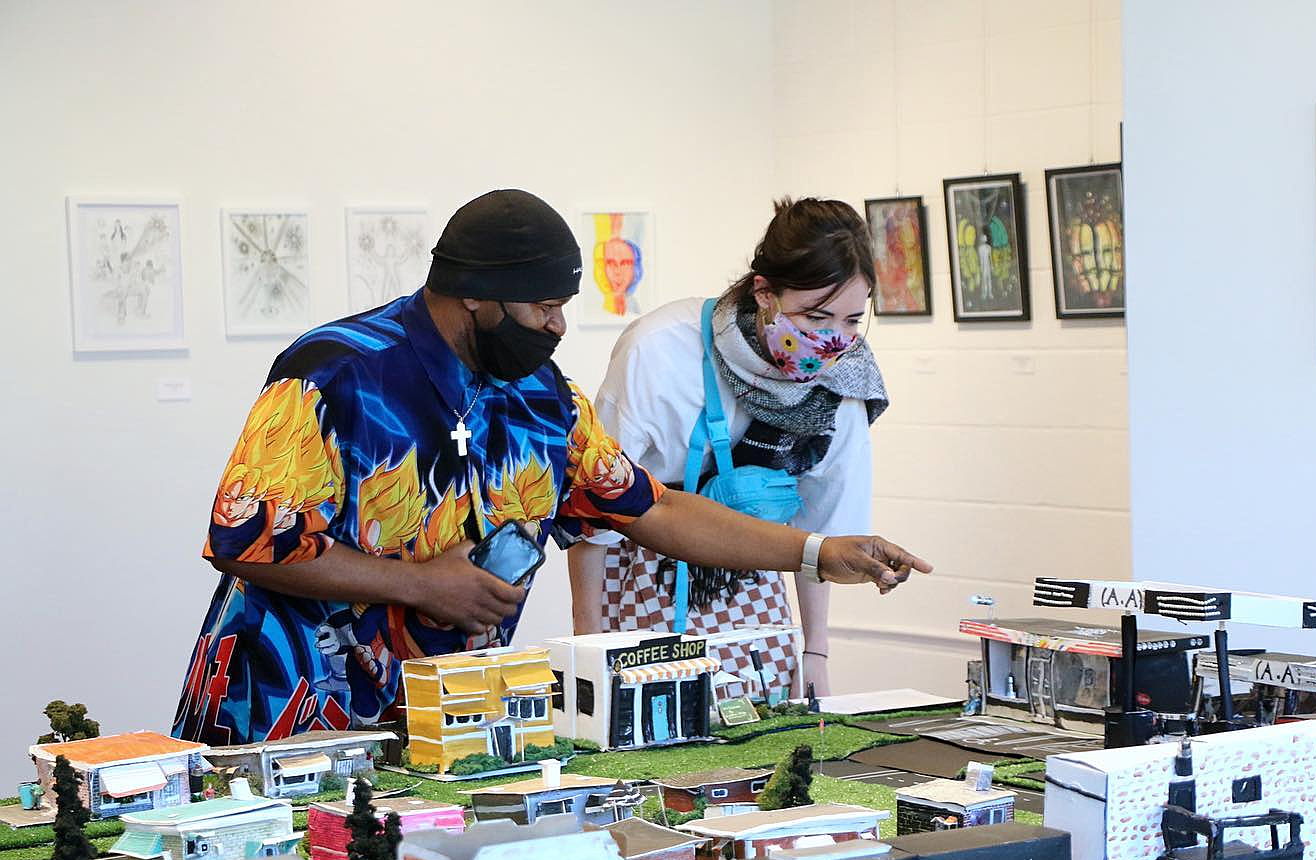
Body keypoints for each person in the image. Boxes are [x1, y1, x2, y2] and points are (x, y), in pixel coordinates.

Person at [173, 189, 929, 745]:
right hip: (280, 711)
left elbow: (652, 508)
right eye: (542, 307)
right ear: (475, 295)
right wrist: (418, 582)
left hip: (439, 718)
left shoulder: (543, 399)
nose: (559, 326)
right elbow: (244, 538)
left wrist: (815, 552)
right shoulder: (336, 373)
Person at [567, 198, 892, 697]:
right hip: (640, 574)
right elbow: (594, 513)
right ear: (764, 293)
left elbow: (819, 536)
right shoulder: (659, 350)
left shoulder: (845, 379)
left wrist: (816, 651)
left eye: (851, 321)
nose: (833, 342)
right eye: (815, 316)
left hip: (758, 578)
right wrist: (587, 649)